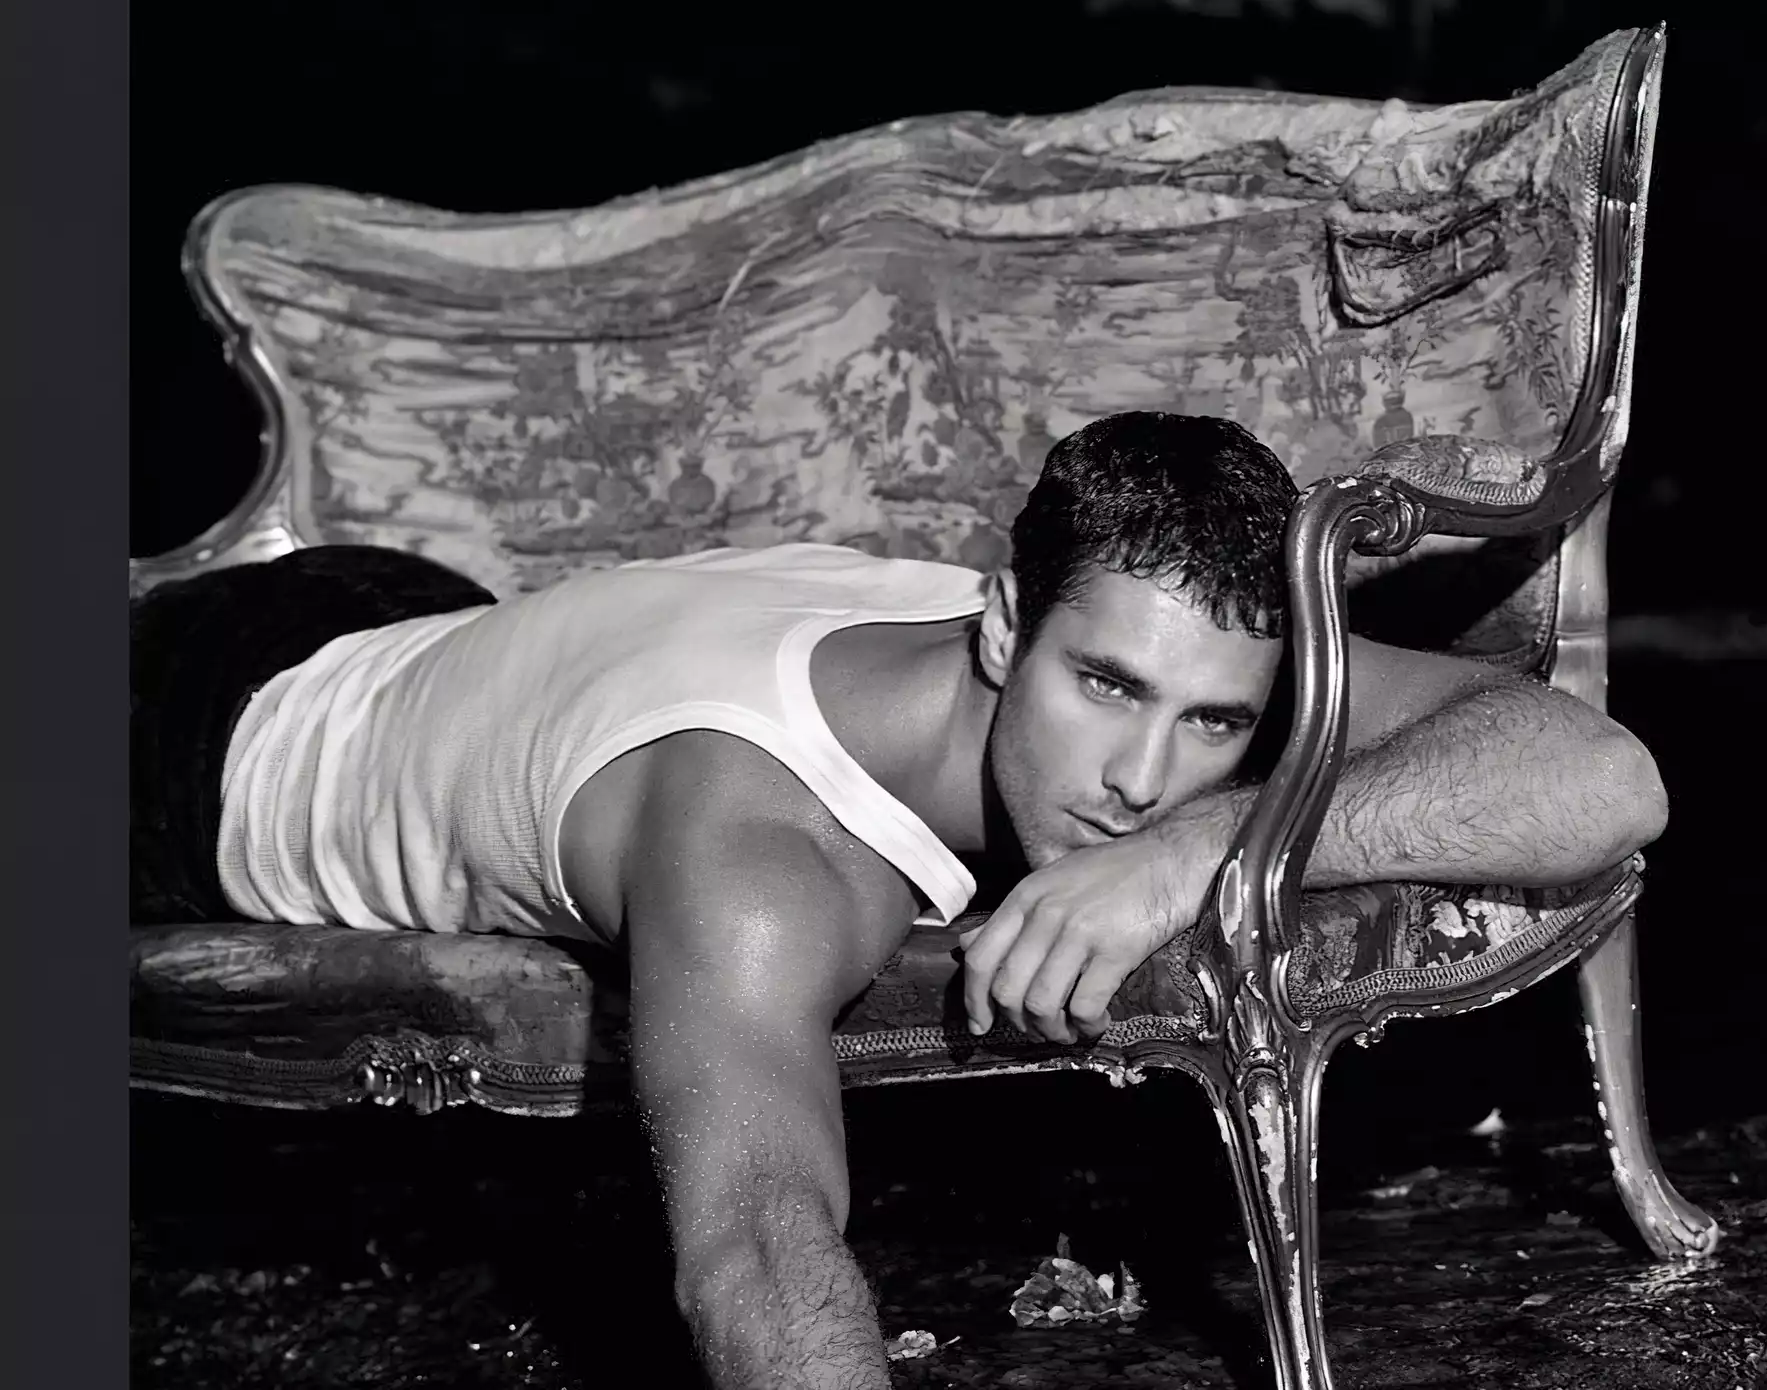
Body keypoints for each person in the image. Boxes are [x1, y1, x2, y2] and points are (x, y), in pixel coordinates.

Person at [131, 412, 1668, 1389]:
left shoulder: (1156, 642)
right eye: (1105, 688)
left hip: (401, 614)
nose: (1143, 774)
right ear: (1001, 630)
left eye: (1214, 724)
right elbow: (755, 1246)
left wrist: (1209, 847)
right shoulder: (758, 853)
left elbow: (1600, 777)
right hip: (191, 745)